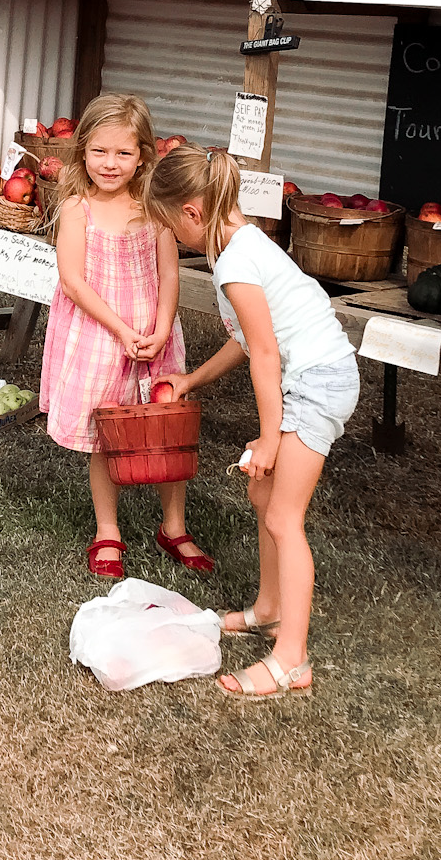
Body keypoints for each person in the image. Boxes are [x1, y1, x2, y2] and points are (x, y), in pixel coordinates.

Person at [145, 144, 358, 700]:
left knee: (285, 518)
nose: (168, 235)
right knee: (264, 499)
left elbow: (265, 354)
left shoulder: (237, 260)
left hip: (317, 383)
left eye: (168, 224)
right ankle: (268, 610)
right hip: (308, 377)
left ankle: (291, 658)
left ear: (190, 212)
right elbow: (245, 341)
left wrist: (268, 438)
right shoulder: (240, 243)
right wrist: (192, 381)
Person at [37, 93, 194, 578]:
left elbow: (169, 276)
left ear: (144, 155)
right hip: (103, 335)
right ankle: (109, 529)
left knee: (167, 427)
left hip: (153, 333)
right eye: (100, 151)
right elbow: (73, 282)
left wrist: (162, 327)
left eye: (123, 153)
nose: (110, 163)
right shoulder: (77, 209)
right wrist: (123, 330)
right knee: (108, 432)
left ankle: (174, 524)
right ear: (82, 151)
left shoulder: (154, 209)